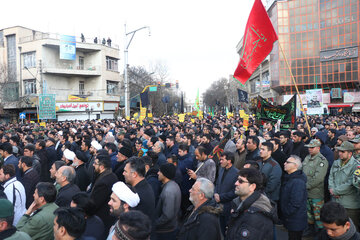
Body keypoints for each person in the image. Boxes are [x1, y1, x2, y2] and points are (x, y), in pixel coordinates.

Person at [226, 168, 276, 240]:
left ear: (252, 187)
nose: (236, 183)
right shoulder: (239, 203)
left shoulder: (255, 216)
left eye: (241, 181)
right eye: (237, 180)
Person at [329, 141, 360, 230]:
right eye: (339, 151)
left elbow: (351, 183)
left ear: (350, 153)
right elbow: (331, 177)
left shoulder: (356, 166)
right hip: (335, 201)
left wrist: (335, 191)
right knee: (337, 228)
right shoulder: (336, 163)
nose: (340, 153)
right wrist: (331, 189)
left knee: (350, 230)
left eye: (343, 152)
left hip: (349, 205)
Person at [302, 139, 329, 236]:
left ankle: (321, 233)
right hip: (307, 192)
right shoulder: (307, 157)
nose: (310, 149)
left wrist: (305, 186)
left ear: (318, 148)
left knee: (318, 215)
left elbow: (318, 178)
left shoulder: (322, 160)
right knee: (309, 214)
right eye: (309, 148)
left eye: (312, 148)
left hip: (316, 193)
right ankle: (311, 230)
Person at [280, 155, 308, 240]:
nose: (285, 163)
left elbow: (296, 202)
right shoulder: (290, 178)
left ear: (295, 165)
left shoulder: (297, 181)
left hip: (295, 219)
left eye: (288, 162)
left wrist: (286, 212)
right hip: (292, 218)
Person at [89, 155, 118, 232]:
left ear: (101, 167)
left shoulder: (103, 182)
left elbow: (94, 203)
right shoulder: (112, 175)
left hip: (101, 218)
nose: (93, 165)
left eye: (95, 163)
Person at [123, 157, 155, 222]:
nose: (123, 173)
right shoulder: (143, 186)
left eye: (125, 171)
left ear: (134, 174)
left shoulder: (138, 194)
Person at [214, 151, 239, 235]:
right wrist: (215, 194)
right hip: (218, 205)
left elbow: (235, 191)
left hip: (228, 206)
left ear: (229, 161)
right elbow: (217, 183)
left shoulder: (236, 173)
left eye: (222, 160)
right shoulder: (221, 169)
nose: (220, 161)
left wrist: (221, 197)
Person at [155, 163, 181, 239]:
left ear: (165, 174)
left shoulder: (168, 191)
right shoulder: (173, 185)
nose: (158, 173)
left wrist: (154, 224)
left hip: (165, 231)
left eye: (160, 171)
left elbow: (167, 216)